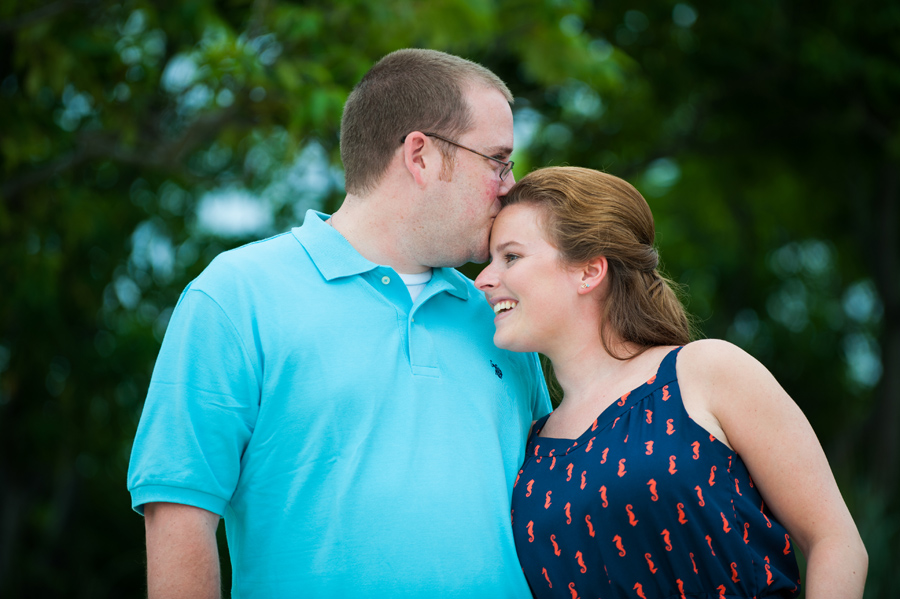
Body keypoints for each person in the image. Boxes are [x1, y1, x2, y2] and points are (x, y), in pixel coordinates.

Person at [127, 49, 551, 598]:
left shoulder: (502, 317)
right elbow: (178, 511)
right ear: (420, 156)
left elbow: (556, 502)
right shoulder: (236, 294)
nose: (509, 186)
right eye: (497, 161)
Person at [474, 166, 868, 599]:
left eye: (511, 257)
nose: (483, 280)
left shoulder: (705, 373)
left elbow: (835, 541)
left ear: (588, 271)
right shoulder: (532, 451)